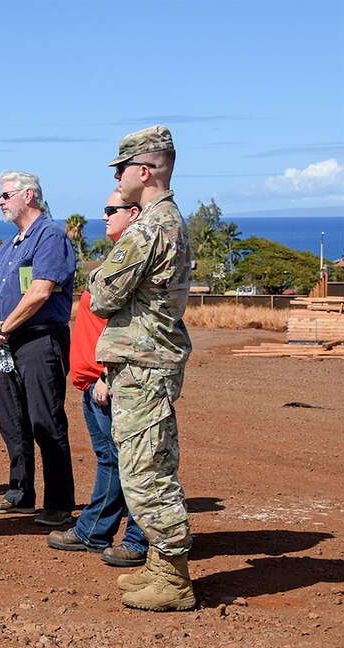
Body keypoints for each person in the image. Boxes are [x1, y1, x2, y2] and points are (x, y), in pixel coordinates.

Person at [88, 125, 195, 611]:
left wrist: (97, 272)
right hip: (147, 359)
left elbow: (104, 294)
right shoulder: (167, 220)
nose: (117, 175)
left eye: (121, 167)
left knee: (145, 470)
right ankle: (158, 562)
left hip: (143, 362)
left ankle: (173, 577)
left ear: (144, 170)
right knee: (147, 462)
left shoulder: (150, 227)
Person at [46, 190, 148, 566]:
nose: (103, 216)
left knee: (134, 461)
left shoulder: (134, 262)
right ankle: (95, 530)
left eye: (111, 210)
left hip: (110, 381)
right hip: (93, 381)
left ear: (133, 213)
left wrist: (106, 374)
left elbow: (130, 324)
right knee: (111, 458)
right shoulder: (116, 258)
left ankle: (139, 537)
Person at [0, 171, 77, 527]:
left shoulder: (49, 236)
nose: (0, 201)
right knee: (13, 422)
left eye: (5, 195)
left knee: (45, 420)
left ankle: (59, 503)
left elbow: (40, 291)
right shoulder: (9, 245)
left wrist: (5, 326)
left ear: (29, 195)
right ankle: (20, 494)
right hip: (9, 342)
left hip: (39, 339)